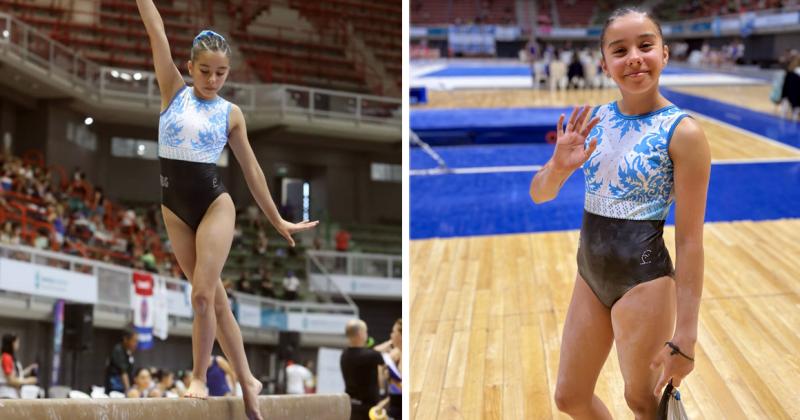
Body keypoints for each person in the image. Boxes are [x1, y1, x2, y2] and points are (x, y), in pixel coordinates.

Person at [136, 2, 318, 419]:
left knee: (202, 295)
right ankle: (248, 380)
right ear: (189, 67)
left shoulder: (230, 113)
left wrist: (277, 219)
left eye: (221, 73)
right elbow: (155, 29)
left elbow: (251, 169)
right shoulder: (172, 91)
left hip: (215, 206)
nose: (213, 80)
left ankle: (198, 375)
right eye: (205, 71)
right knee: (216, 302)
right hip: (175, 209)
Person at [529, 7, 709, 418]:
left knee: (641, 400)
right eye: (619, 49)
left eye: (645, 45)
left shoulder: (684, 133)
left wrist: (687, 335)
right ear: (605, 64)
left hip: (643, 280)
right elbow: (540, 194)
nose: (634, 57)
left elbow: (691, 240)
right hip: (589, 274)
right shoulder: (595, 122)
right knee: (569, 397)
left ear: (664, 54)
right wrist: (557, 168)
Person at [340, 320, 385, 420]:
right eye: (366, 331)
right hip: (369, 410)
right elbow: (382, 378)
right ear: (360, 333)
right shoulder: (373, 356)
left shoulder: (344, 355)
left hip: (351, 407)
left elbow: (368, 352)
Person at [0, 334, 37, 398]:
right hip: (7, 394)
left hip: (12, 393)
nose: (18, 344)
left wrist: (28, 369)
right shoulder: (6, 357)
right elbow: (11, 380)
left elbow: (16, 374)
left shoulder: (10, 357)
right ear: (12, 343)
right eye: (17, 342)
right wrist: (28, 381)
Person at [105, 329, 138, 395]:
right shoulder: (118, 350)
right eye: (134, 341)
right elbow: (123, 372)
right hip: (115, 387)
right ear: (125, 339)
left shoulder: (128, 352)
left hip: (123, 387)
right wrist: (128, 391)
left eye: (136, 341)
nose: (135, 344)